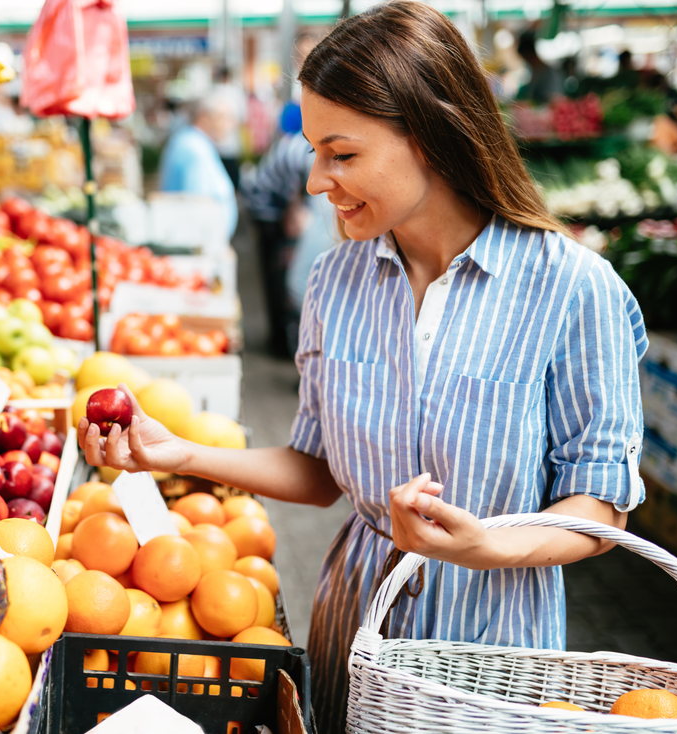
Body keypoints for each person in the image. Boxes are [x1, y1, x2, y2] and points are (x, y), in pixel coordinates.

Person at [79, 3, 646, 732]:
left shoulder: (574, 289)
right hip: (354, 630)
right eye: (314, 150)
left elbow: (600, 506)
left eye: (341, 154)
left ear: (434, 140)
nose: (316, 181)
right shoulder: (334, 282)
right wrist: (179, 452)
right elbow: (318, 473)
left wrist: (486, 545)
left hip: (490, 652)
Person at [240, 102, 315, 357]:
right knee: (276, 272)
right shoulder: (302, 151)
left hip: (272, 204)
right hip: (265, 210)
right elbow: (295, 203)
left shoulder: (302, 145)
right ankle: (280, 343)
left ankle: (281, 339)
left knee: (283, 273)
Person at [158, 95, 239, 239]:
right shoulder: (194, 149)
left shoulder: (195, 142)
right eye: (223, 117)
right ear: (204, 117)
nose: (230, 124)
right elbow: (197, 207)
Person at [212, 66, 247, 189]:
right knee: (232, 173)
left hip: (216, 142)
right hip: (231, 140)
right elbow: (243, 117)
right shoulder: (236, 92)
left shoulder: (214, 91)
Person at [517, 30, 564, 104]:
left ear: (530, 55)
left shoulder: (549, 73)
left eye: (526, 58)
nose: (527, 62)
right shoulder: (535, 71)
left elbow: (553, 98)